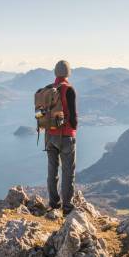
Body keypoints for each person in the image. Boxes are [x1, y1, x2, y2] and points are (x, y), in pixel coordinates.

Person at [46, 60, 78, 216]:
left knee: (52, 171)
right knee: (68, 172)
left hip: (50, 136)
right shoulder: (68, 89)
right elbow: (73, 118)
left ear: (55, 73)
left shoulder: (48, 89)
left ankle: (53, 203)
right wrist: (74, 128)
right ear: (68, 72)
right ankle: (67, 206)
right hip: (66, 137)